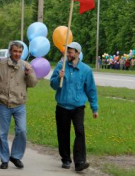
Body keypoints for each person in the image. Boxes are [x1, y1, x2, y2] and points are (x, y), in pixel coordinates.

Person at [0, 41, 38, 170]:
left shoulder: (26, 66)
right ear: (10, 51)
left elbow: (33, 83)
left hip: (19, 104)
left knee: (22, 130)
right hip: (3, 103)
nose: (17, 54)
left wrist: (28, 73)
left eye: (20, 52)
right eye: (15, 51)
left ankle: (16, 156)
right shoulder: (0, 63)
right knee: (2, 133)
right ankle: (4, 159)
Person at [50, 42, 98, 172]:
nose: (68, 54)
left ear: (77, 53)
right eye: (67, 52)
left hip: (78, 107)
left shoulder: (86, 70)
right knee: (63, 133)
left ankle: (80, 162)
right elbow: (53, 85)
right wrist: (58, 77)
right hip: (62, 107)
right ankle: (65, 159)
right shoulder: (61, 66)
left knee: (80, 132)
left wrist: (94, 107)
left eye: (70, 52)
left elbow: (91, 90)